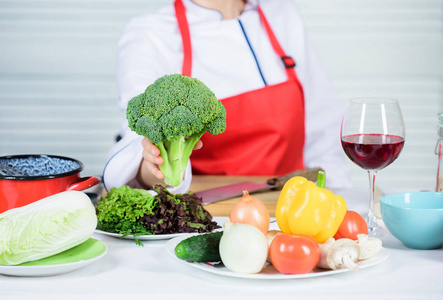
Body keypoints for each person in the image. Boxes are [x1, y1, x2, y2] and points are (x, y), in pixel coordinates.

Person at [103, 0, 352, 194]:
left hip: (292, 208)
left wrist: (335, 197)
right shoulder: (150, 33)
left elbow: (323, 132)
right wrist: (153, 167)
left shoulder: (281, 13)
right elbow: (136, 141)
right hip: (210, 216)